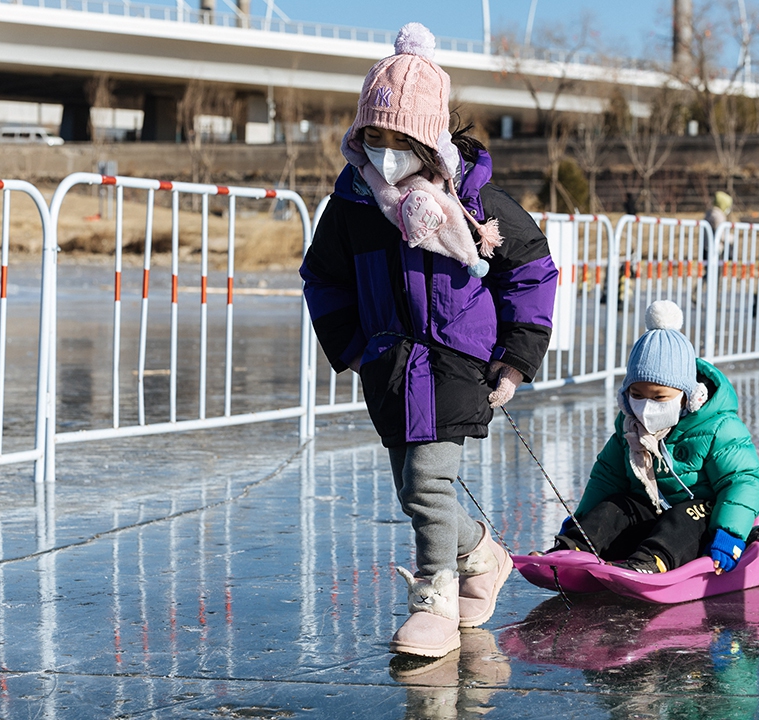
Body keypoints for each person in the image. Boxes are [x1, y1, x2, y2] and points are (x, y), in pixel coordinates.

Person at [301, 23, 557, 659]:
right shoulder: (353, 203)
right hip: (388, 361)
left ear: (430, 138)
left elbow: (531, 271)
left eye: (401, 139)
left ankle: (435, 600)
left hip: (455, 360)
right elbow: (323, 276)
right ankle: (483, 555)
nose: (387, 152)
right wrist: (353, 347)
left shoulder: (475, 202)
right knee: (415, 491)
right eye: (375, 137)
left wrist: (515, 359)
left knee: (426, 484)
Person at [537, 300, 759, 576]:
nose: (646, 407)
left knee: (684, 515)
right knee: (617, 505)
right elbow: (607, 477)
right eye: (637, 395)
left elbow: (741, 480)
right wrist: (583, 521)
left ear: (687, 396)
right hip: (651, 512)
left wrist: (730, 532)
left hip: (702, 517)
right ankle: (573, 548)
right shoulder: (630, 426)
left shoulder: (719, 426)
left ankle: (651, 562)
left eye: (659, 397)